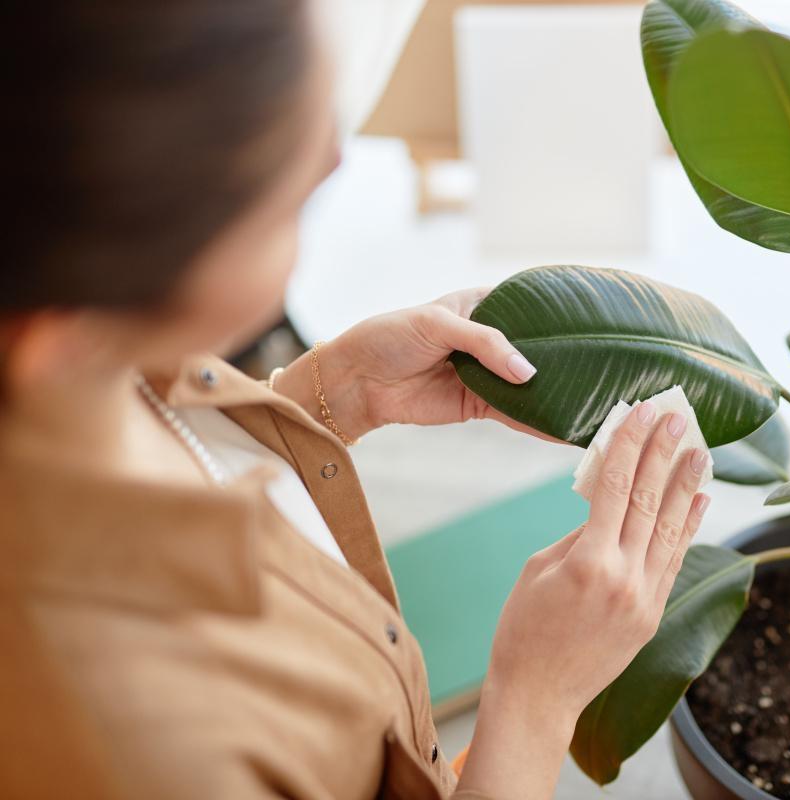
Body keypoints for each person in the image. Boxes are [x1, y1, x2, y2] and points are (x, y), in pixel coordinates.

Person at [0, 2, 711, 798]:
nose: (338, 156)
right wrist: (538, 701)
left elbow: (188, 453)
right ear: (70, 330)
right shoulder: (136, 748)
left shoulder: (92, 370)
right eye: (286, 206)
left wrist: (325, 398)